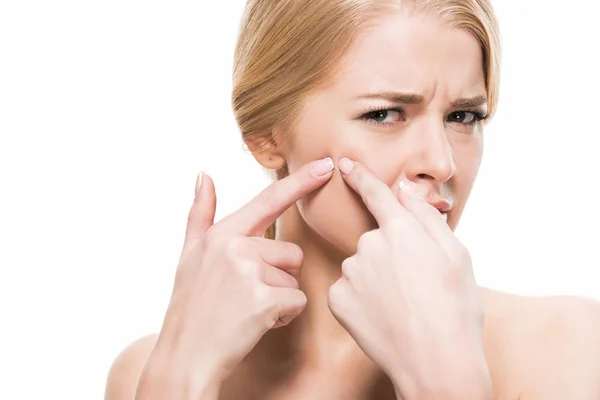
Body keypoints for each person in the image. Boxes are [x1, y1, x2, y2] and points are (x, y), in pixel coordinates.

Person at [105, 0, 600, 399]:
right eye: (385, 114)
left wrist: (446, 384)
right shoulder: (146, 373)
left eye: (464, 117)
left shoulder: (571, 351)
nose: (443, 163)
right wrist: (179, 381)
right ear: (265, 134)